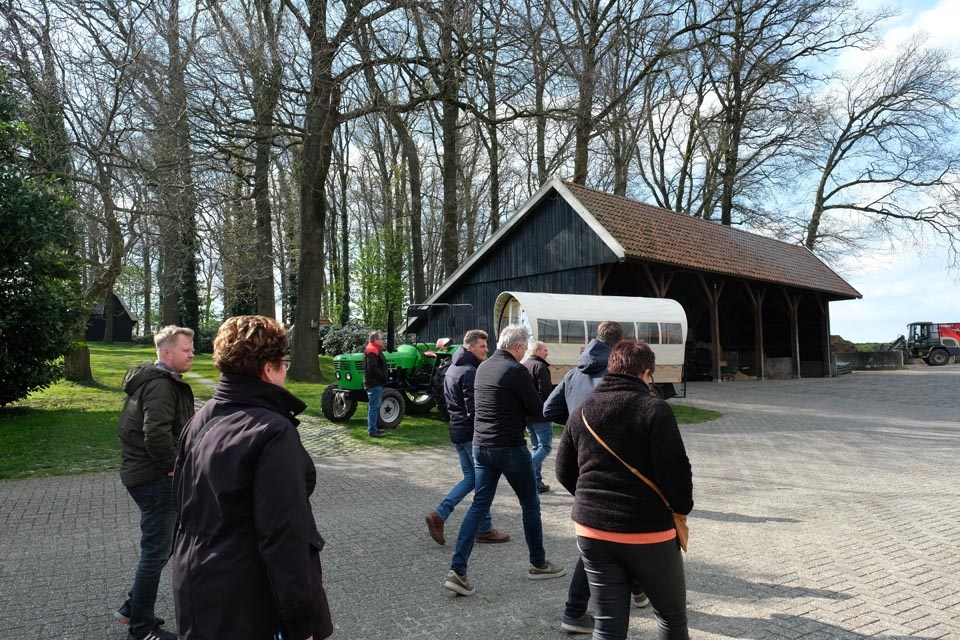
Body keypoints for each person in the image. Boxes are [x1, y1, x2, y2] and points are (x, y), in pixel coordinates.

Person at [172, 315, 333, 640]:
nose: (285, 370)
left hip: (196, 587)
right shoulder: (272, 432)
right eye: (284, 362)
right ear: (268, 368)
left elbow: (181, 503)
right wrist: (301, 623)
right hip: (251, 604)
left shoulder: (200, 419)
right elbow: (284, 535)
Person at [556, 340, 693, 640]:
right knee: (671, 618)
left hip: (592, 532)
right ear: (645, 373)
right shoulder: (654, 409)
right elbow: (676, 473)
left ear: (611, 368)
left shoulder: (582, 410)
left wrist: (593, 501)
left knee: (607, 627)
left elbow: (563, 471)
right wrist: (681, 508)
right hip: (647, 531)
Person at [543, 321, 651, 634]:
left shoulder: (573, 374)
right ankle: (574, 610)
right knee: (605, 537)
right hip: (614, 464)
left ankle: (636, 590)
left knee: (611, 532)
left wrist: (575, 428)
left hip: (581, 462)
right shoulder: (617, 377)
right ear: (619, 346)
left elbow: (549, 409)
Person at [443, 324, 566, 597]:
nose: (525, 353)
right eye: (525, 349)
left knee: (478, 505)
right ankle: (538, 563)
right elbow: (537, 407)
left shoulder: (483, 367)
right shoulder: (515, 370)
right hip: (509, 447)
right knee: (530, 504)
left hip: (480, 446)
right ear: (519, 347)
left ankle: (457, 570)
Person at [115, 325, 196, 640]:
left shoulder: (157, 380)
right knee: (156, 552)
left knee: (163, 548)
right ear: (166, 352)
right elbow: (156, 433)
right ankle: (141, 629)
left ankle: (131, 608)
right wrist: (173, 467)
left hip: (145, 474)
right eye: (186, 350)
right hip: (154, 477)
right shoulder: (161, 385)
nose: (192, 354)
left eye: (192, 349)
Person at [425, 329, 510, 545]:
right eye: (482, 346)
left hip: (457, 430)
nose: (486, 350)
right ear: (470, 346)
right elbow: (474, 409)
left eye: (486, 346)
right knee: (484, 480)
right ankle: (479, 527)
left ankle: (449, 517)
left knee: (473, 479)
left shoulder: (453, 367)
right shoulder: (470, 371)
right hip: (471, 434)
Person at [523, 341, 554, 493]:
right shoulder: (540, 367)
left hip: (527, 414)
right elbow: (546, 392)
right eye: (545, 350)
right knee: (545, 447)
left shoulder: (524, 365)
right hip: (540, 414)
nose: (547, 353)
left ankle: (536, 483)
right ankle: (526, 471)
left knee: (536, 447)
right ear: (536, 351)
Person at [364, 330, 388, 438]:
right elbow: (372, 368)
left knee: (375, 406)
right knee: (373, 407)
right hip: (374, 382)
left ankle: (374, 428)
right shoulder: (372, 350)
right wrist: (382, 377)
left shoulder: (374, 349)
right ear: (375, 340)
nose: (382, 341)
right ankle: (372, 430)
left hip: (375, 382)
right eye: (381, 339)